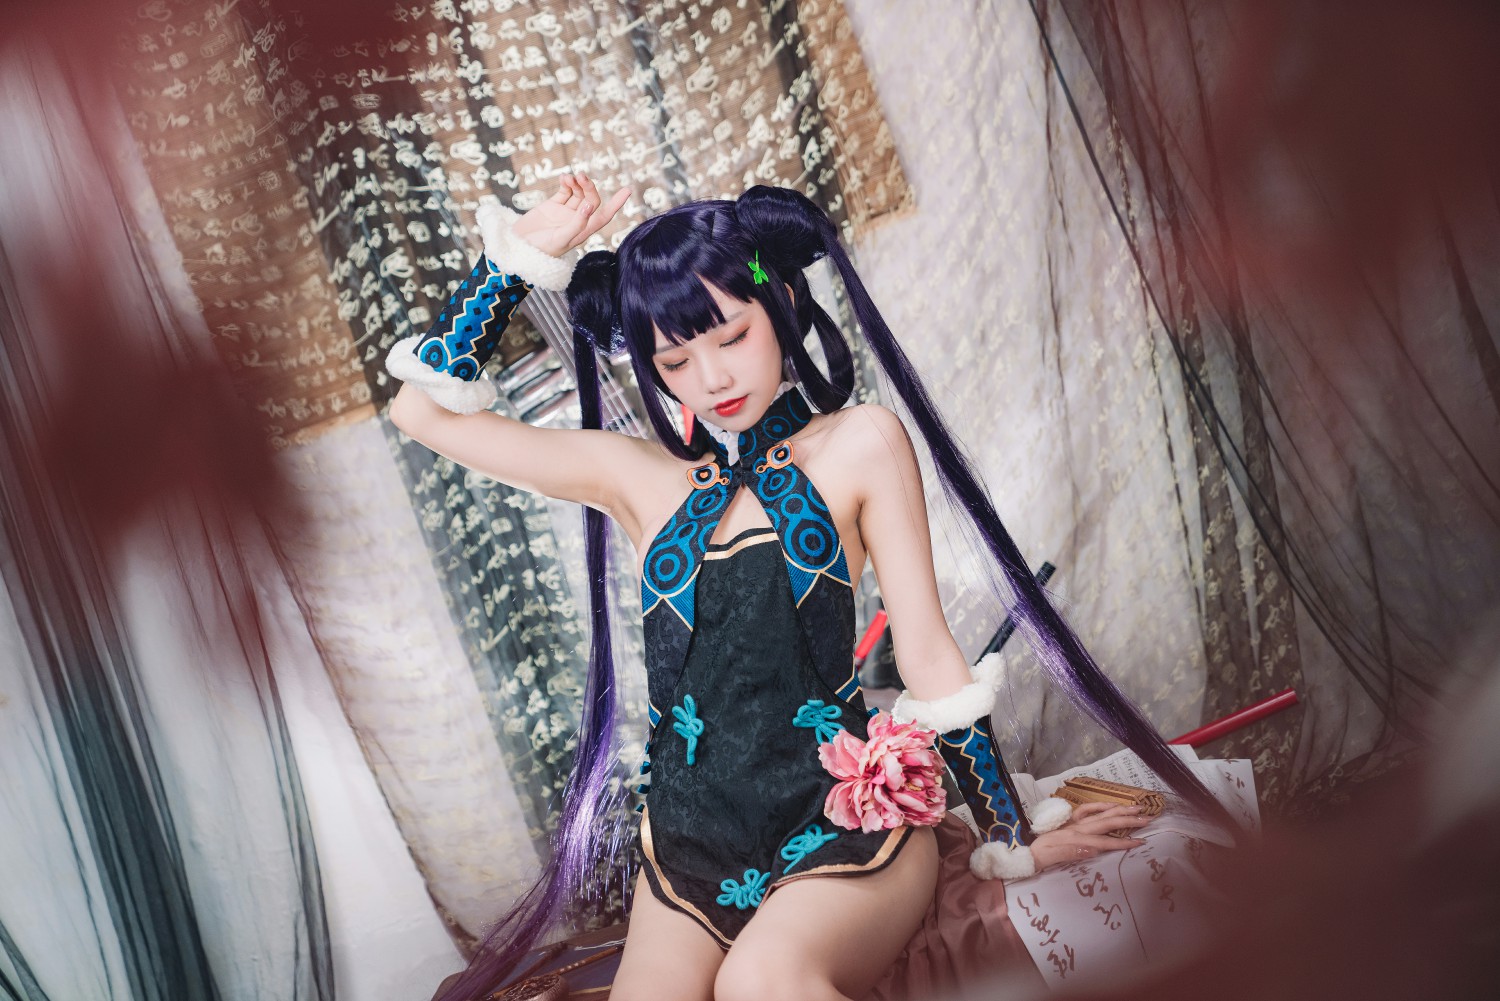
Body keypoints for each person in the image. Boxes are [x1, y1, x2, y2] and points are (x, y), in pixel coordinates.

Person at [387, 174, 1221, 1001]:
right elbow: (421, 415)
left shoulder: (859, 443)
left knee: (763, 983)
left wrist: (1011, 835)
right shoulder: (635, 477)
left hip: (845, 821)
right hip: (688, 847)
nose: (711, 377)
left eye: (732, 336)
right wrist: (519, 258)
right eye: (675, 360)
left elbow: (929, 654)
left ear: (781, 298)